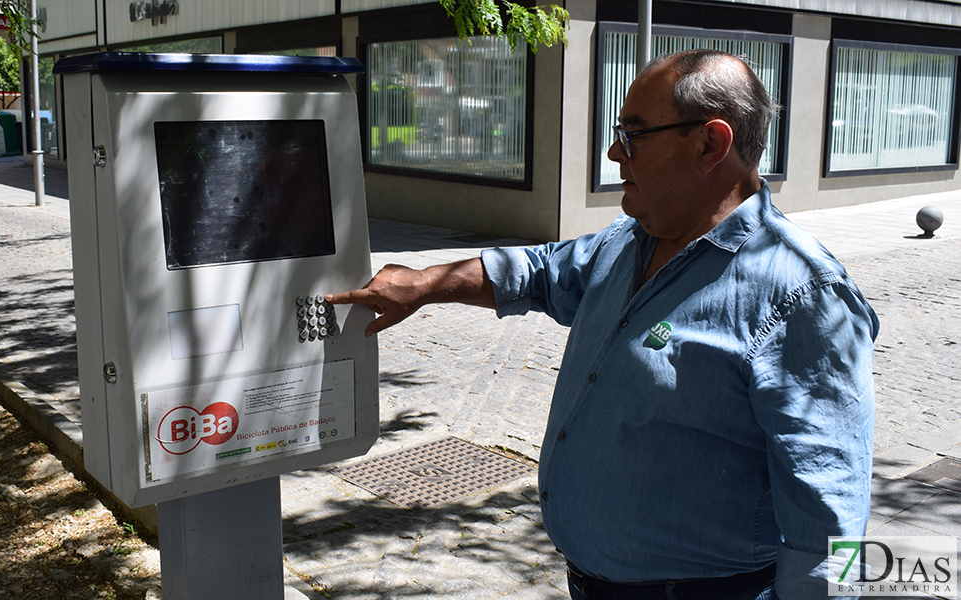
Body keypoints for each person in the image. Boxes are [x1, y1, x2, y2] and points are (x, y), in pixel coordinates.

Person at [328, 49, 878, 600]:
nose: (616, 153)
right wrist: (426, 284)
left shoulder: (805, 298)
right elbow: (538, 272)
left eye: (634, 135)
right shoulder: (628, 240)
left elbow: (830, 516)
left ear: (711, 144)